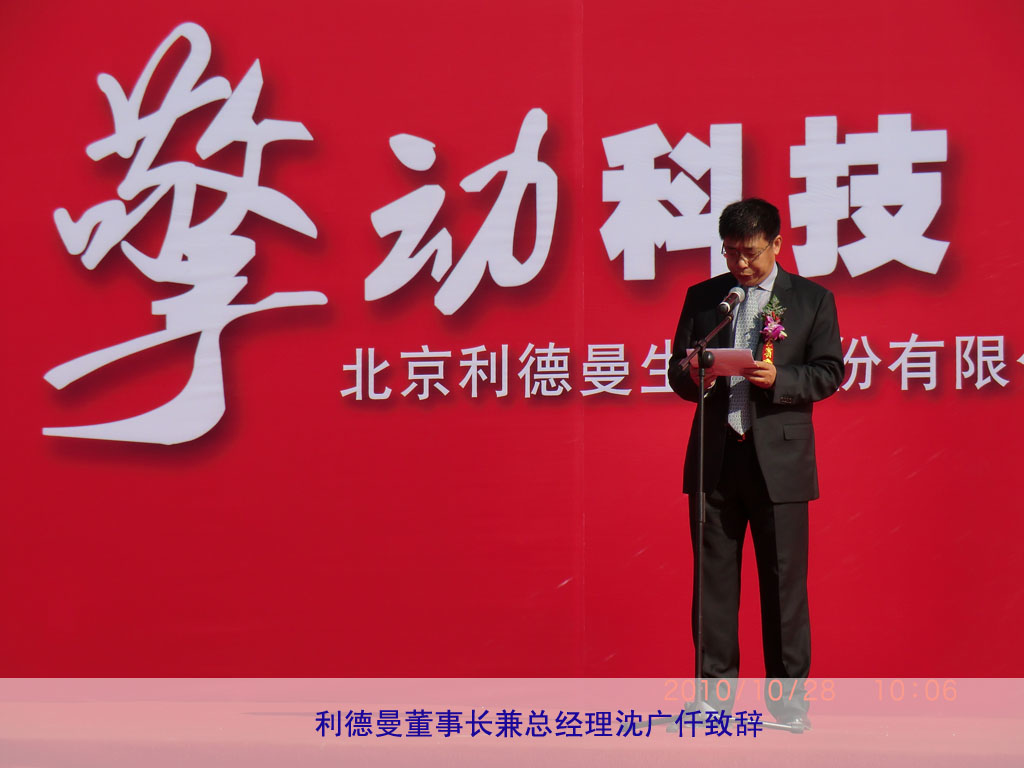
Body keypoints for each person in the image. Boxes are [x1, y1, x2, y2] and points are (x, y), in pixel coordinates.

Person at [668, 198, 844, 731]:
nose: (740, 264)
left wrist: (780, 380)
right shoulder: (706, 299)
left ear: (776, 244)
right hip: (716, 460)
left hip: (779, 463)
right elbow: (677, 372)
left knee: (783, 586)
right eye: (731, 252)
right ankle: (712, 701)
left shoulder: (810, 299)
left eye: (750, 252)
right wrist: (694, 372)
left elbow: (829, 372)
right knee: (713, 588)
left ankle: (789, 707)